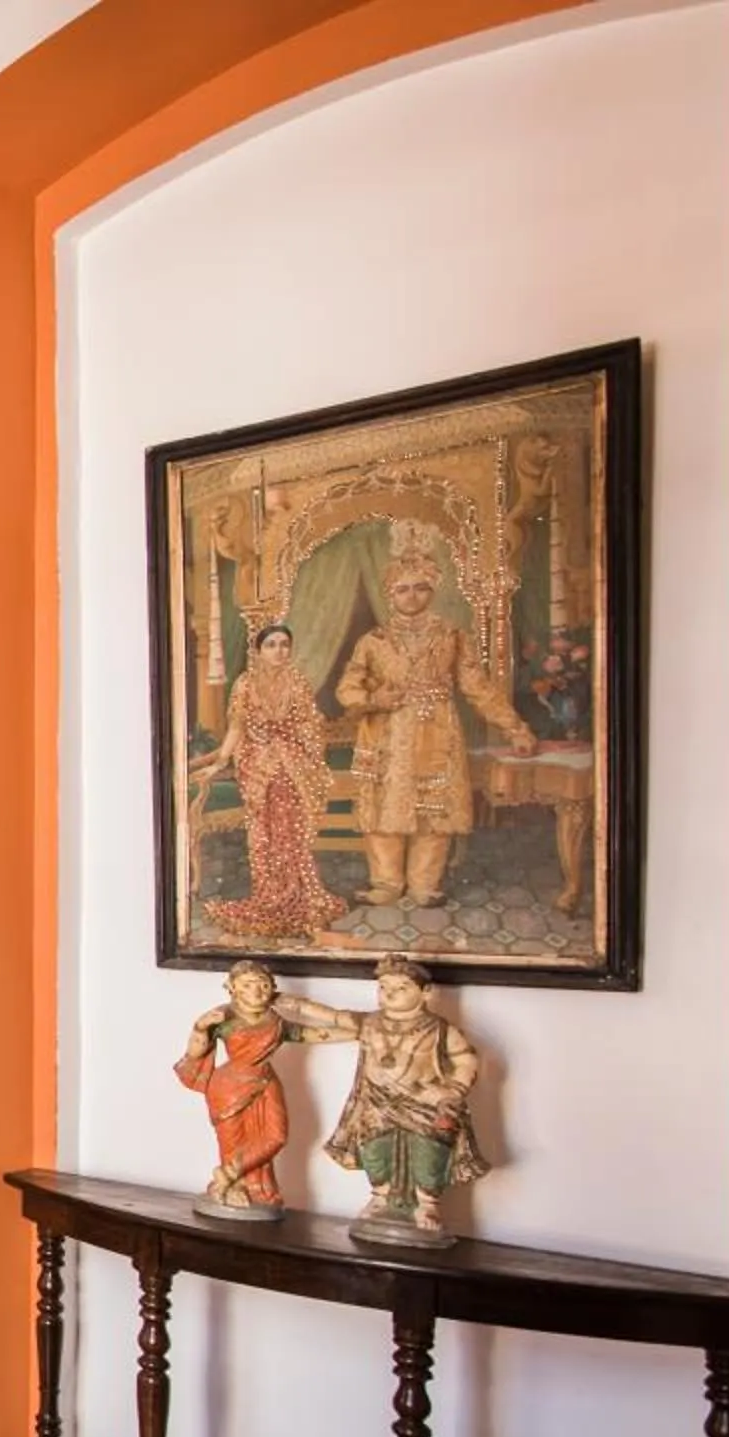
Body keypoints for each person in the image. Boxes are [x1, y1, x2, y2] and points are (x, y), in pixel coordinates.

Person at [333, 522, 536, 909]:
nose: (412, 596)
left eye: (420, 587)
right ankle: (386, 883)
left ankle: (425, 885)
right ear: (390, 593)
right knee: (382, 812)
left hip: (436, 731)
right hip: (385, 735)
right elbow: (347, 689)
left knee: (434, 811)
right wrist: (375, 697)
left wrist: (516, 728)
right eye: (403, 589)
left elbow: (478, 687)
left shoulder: (452, 635)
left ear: (433, 589)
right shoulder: (372, 641)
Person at [278, 956, 489, 1246]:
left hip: (422, 1101)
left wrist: (453, 1090)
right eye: (383, 986)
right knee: (374, 1149)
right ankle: (380, 1196)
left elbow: (466, 1059)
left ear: (425, 992)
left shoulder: (439, 1029)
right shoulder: (370, 1022)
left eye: (401, 987)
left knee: (429, 1150)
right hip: (377, 1102)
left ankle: (427, 1203)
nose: (389, 993)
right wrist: (298, 1006)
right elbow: (335, 1016)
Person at [186, 624, 344, 941]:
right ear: (258, 651)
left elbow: (310, 727)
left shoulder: (297, 682)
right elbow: (236, 729)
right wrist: (219, 761)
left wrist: (294, 746)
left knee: (290, 833)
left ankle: (296, 895)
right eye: (271, 644)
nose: (279, 650)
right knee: (263, 835)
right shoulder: (245, 684)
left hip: (291, 767)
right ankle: (269, 896)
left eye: (284, 644)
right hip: (257, 768)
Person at [173, 960, 305, 1220]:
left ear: (273, 988)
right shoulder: (225, 1017)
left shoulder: (275, 1021)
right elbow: (195, 1052)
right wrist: (200, 1027)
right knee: (233, 1142)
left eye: (263, 985)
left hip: (266, 1082)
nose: (256, 992)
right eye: (247, 985)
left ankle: (230, 1175)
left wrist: (354, 1029)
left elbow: (308, 1034)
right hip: (229, 1088)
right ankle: (233, 1185)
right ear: (232, 988)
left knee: (275, 1136)